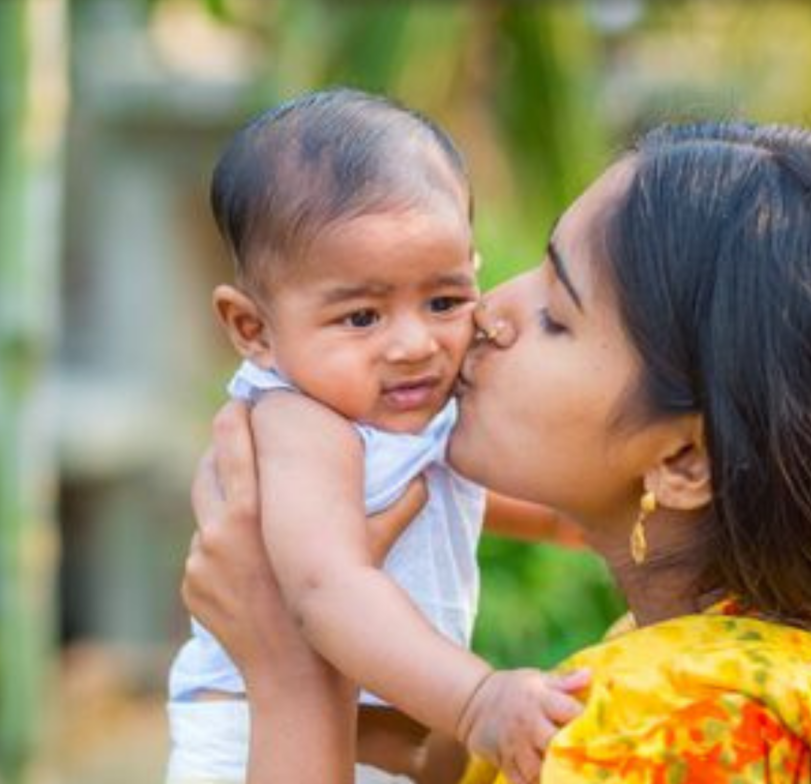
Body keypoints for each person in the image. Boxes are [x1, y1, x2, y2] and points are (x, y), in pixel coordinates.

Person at [182, 120, 811, 784]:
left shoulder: (684, 724)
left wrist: (293, 678)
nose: (489, 315)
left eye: (558, 315)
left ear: (683, 464)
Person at [167, 89, 587, 784]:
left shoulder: (398, 410)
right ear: (254, 329)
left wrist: (581, 514)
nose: (416, 344)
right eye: (362, 318)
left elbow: (464, 494)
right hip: (247, 741)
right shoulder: (299, 423)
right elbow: (328, 585)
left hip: (372, 744)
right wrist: (477, 697)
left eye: (445, 301)